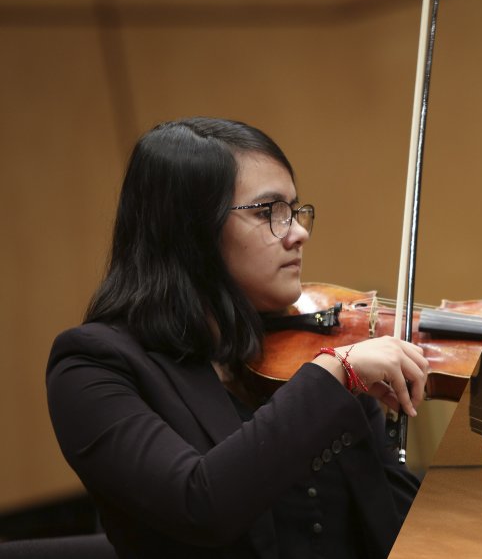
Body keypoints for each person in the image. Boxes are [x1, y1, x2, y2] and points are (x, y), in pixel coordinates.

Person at [46, 117, 429, 559]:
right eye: (269, 213)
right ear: (190, 230)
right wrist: (332, 373)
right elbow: (199, 504)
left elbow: (397, 525)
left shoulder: (309, 343)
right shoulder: (92, 367)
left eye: (294, 210)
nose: (299, 232)